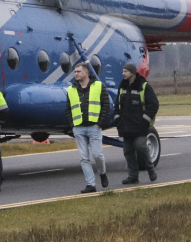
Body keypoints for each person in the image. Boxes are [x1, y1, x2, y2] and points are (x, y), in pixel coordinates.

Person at [66, 62, 110, 193]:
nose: (76, 74)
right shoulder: (71, 89)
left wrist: (100, 123)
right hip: (79, 128)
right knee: (84, 158)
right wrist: (72, 125)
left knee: (97, 155)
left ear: (87, 73)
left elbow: (106, 106)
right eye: (75, 72)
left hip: (94, 127)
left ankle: (102, 172)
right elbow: (68, 109)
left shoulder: (99, 86)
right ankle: (90, 184)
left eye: (78, 71)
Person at [113, 62, 159, 184]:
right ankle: (133, 175)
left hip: (139, 126)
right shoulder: (122, 86)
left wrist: (145, 120)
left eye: (125, 71)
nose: (123, 74)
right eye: (123, 71)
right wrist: (118, 119)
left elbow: (153, 105)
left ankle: (150, 169)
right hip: (126, 126)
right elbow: (116, 104)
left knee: (140, 147)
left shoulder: (144, 86)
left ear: (132, 73)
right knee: (127, 151)